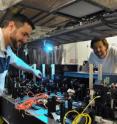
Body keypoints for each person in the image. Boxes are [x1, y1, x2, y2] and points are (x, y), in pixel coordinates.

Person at [0, 13, 42, 94]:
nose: (25, 40)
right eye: (24, 34)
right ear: (11, 26)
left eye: (27, 37)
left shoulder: (7, 49)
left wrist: (33, 70)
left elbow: (16, 61)